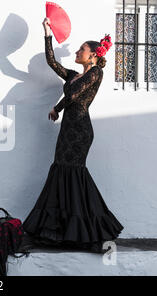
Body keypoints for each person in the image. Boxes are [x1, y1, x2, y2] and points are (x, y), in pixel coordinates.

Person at [22, 18, 124, 253]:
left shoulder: (96, 73)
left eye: (82, 49)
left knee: (74, 174)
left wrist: (56, 108)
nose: (77, 52)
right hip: (67, 130)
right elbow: (51, 62)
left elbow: (76, 95)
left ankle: (92, 235)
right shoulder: (73, 75)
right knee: (61, 170)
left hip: (80, 131)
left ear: (93, 56)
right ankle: (60, 234)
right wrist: (48, 33)